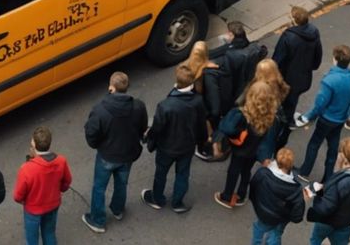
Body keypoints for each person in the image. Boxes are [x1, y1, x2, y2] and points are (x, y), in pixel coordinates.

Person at [82, 71, 147, 233]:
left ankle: (98, 220)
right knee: (122, 183)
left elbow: (91, 134)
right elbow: (142, 128)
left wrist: (98, 144)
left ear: (111, 87)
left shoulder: (100, 110)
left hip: (107, 155)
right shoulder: (138, 106)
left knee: (99, 188)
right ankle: (118, 209)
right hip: (128, 154)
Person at [143, 63, 207, 212]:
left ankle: (157, 198)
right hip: (187, 146)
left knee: (161, 174)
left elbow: (157, 128)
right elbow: (201, 125)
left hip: (167, 147)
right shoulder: (198, 101)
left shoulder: (166, 105)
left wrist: (150, 140)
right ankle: (177, 203)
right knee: (183, 174)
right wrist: (201, 142)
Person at [296, 45, 350, 181]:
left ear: (335, 59)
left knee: (314, 143)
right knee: (333, 147)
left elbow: (320, 104)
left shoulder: (330, 81)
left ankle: (304, 171)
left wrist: (307, 117)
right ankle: (328, 177)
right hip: (341, 118)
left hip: (327, 119)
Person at [213, 81, 279, 208]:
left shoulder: (243, 114)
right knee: (246, 172)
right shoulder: (271, 118)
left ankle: (227, 195)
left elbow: (227, 128)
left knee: (233, 170)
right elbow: (269, 140)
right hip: (254, 152)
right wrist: (265, 157)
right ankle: (240, 195)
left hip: (239, 149)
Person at [271, 7, 323, 152]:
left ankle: (279, 130)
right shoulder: (314, 33)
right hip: (303, 78)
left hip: (286, 79)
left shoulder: (288, 37)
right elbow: (317, 56)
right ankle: (286, 123)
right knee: (292, 102)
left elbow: (278, 59)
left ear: (294, 21)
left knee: (280, 104)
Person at [306, 139, 350, 244]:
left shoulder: (340, 183)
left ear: (345, 160)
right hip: (347, 222)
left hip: (327, 222)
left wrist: (317, 194)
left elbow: (325, 208)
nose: (337, 155)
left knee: (315, 240)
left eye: (339, 152)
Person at [13, 126, 71, 244]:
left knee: (32, 238)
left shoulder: (27, 169)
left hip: (33, 210)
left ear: (34, 144)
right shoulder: (61, 161)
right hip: (53, 205)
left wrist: (24, 201)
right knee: (49, 233)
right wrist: (59, 190)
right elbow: (67, 182)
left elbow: (18, 196)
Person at [247, 148, 306, 245]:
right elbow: (297, 214)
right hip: (281, 218)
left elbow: (253, 188)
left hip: (264, 214)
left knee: (258, 230)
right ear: (291, 164)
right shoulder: (295, 188)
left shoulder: (262, 173)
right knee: (275, 235)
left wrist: (257, 203)